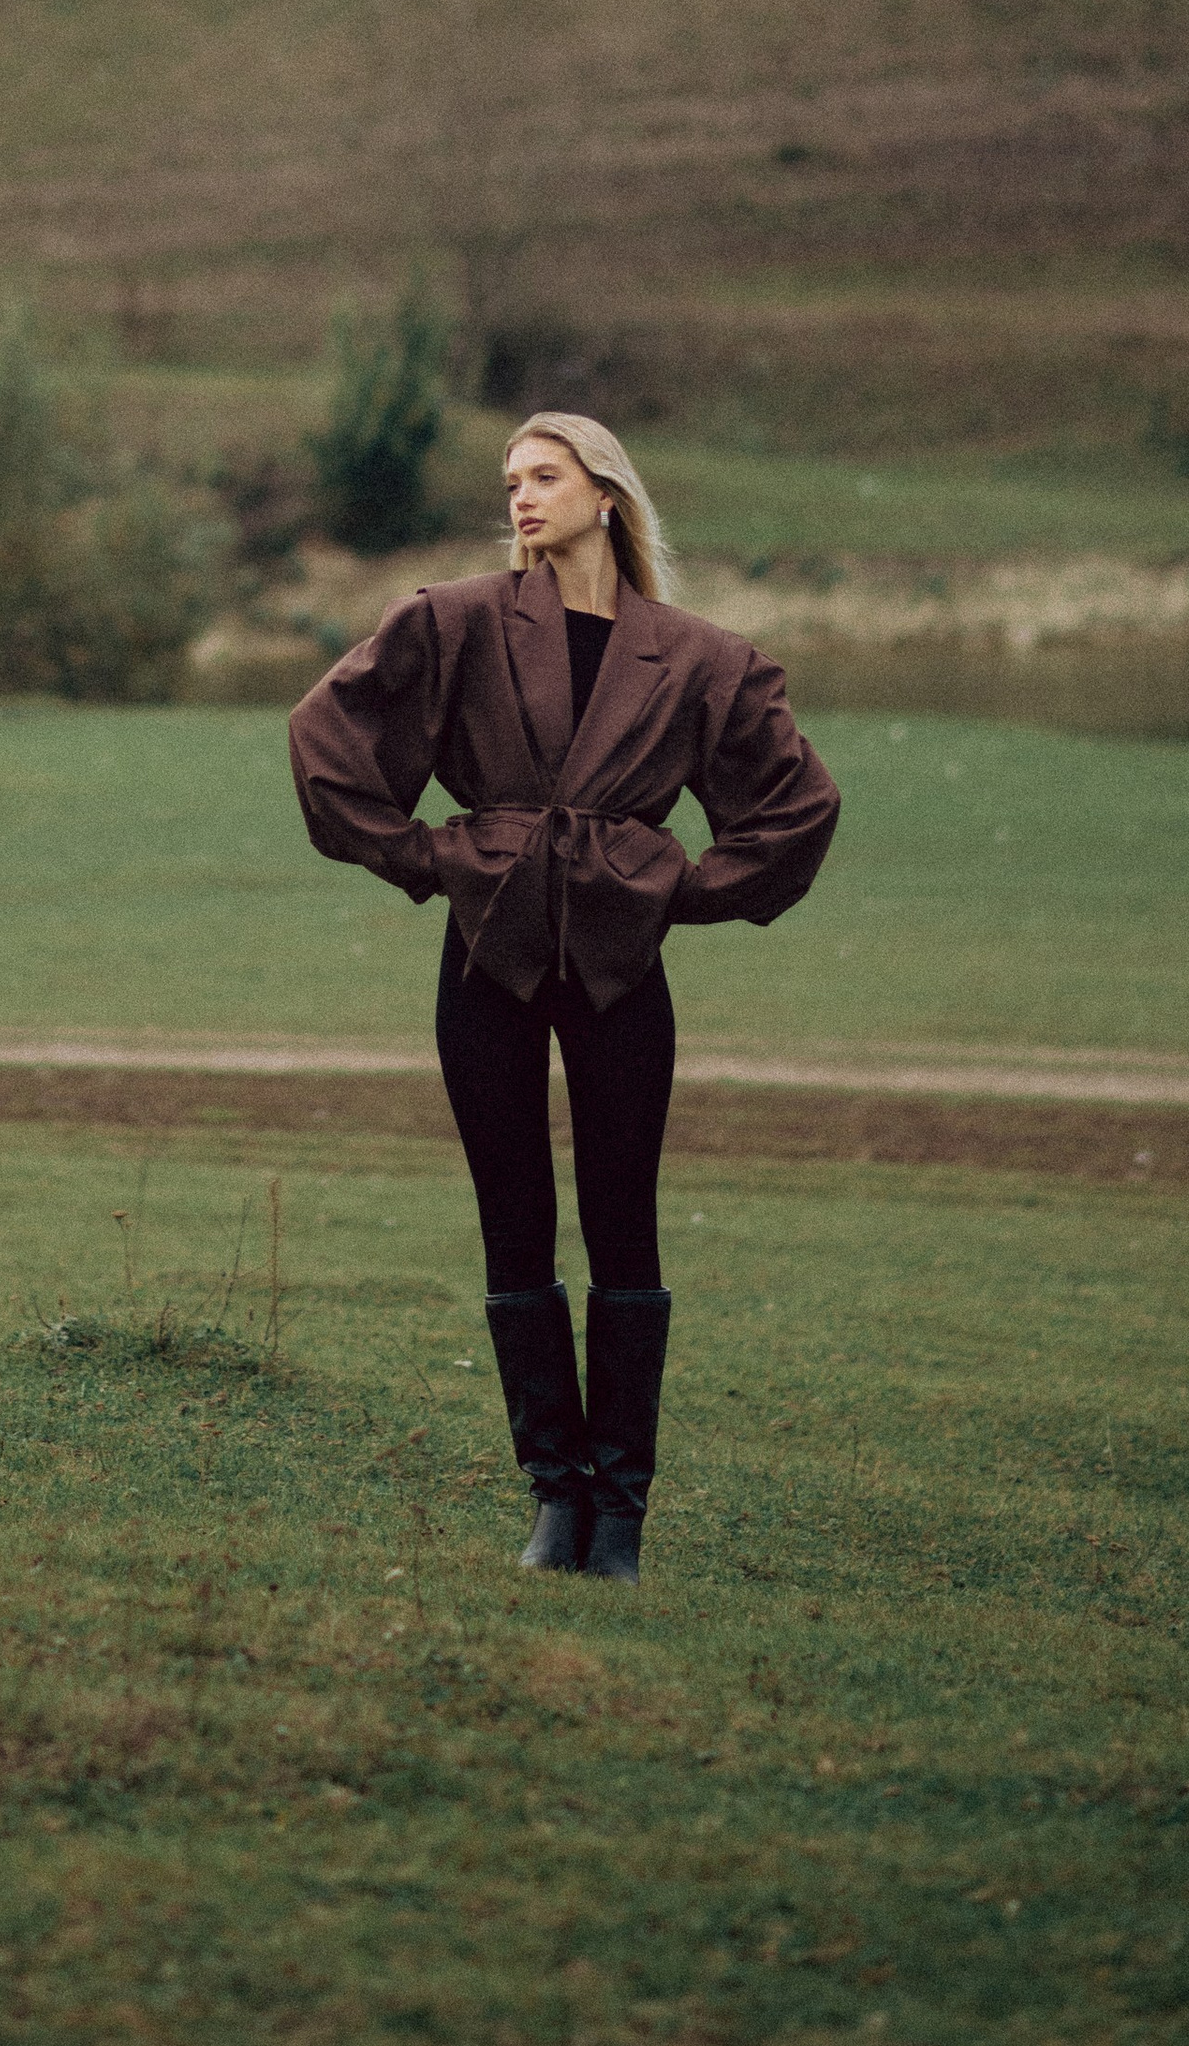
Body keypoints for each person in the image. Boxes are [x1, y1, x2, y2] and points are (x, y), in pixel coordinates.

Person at [288, 412, 840, 1583]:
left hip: (620, 965)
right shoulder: (457, 621)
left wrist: (674, 889)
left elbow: (795, 812)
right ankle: (553, 1496)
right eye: (511, 482)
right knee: (513, 1213)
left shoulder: (702, 659)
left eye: (544, 476)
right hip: (484, 952)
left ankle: (620, 1514)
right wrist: (426, 856)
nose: (521, 498)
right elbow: (325, 736)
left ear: (608, 494)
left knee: (624, 1215)